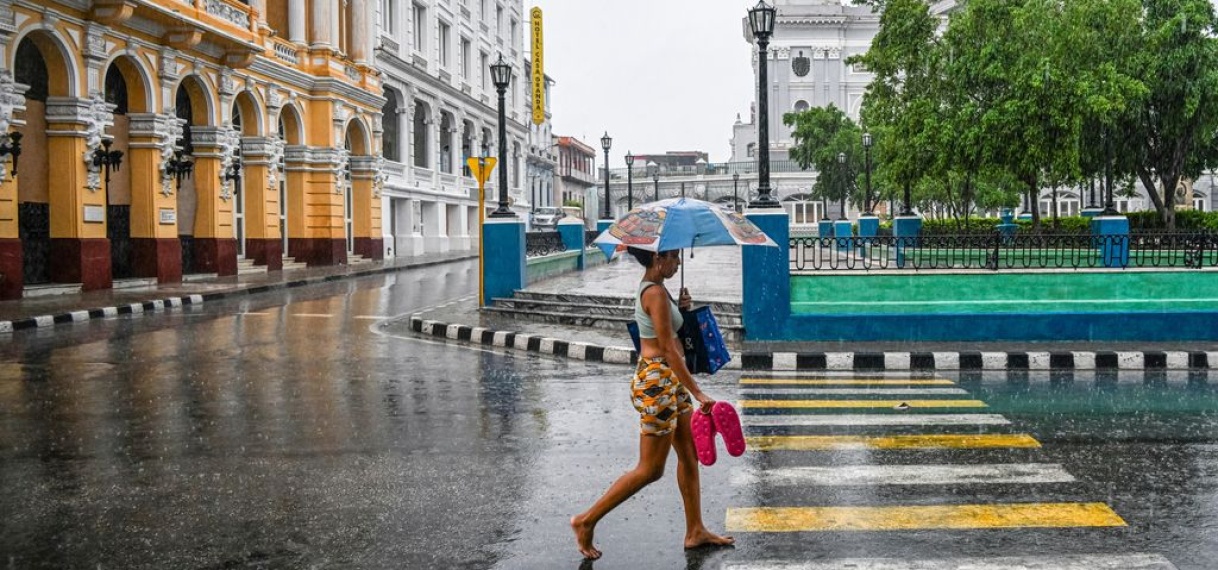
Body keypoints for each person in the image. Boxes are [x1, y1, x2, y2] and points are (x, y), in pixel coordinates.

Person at [570, 247, 735, 560]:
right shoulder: (655, 293)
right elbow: (668, 350)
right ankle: (586, 520)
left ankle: (695, 530)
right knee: (650, 469)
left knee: (689, 455)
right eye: (673, 256)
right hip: (657, 381)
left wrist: (683, 310)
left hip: (669, 380)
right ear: (658, 258)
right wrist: (699, 392)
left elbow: (673, 337)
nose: (678, 261)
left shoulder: (660, 291)